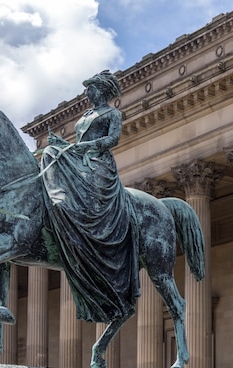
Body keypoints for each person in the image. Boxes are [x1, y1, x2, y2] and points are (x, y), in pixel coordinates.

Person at [41, 70, 139, 323]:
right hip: (81, 159)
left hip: (99, 163)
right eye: (87, 89)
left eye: (91, 88)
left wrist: (82, 147)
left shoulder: (112, 113)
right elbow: (77, 142)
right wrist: (64, 145)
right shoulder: (86, 115)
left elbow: (113, 139)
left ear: (102, 90)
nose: (87, 92)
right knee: (51, 151)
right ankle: (57, 201)